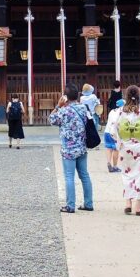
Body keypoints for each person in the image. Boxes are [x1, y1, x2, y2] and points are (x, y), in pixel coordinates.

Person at [110, 85, 140, 216]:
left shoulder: (120, 112)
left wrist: (120, 142)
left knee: (127, 174)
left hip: (125, 147)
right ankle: (138, 206)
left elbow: (113, 131)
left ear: (126, 96)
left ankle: (128, 203)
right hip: (139, 147)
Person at [49, 85, 94, 214]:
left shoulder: (63, 111)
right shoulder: (83, 108)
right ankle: (89, 203)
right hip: (82, 147)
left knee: (69, 177)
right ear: (78, 95)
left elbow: (51, 120)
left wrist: (58, 105)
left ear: (65, 97)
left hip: (68, 149)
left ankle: (70, 205)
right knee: (84, 175)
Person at [105, 81, 124, 171]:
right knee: (116, 149)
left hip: (107, 132)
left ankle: (109, 163)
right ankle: (115, 166)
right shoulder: (121, 113)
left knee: (109, 148)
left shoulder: (112, 111)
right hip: (114, 133)